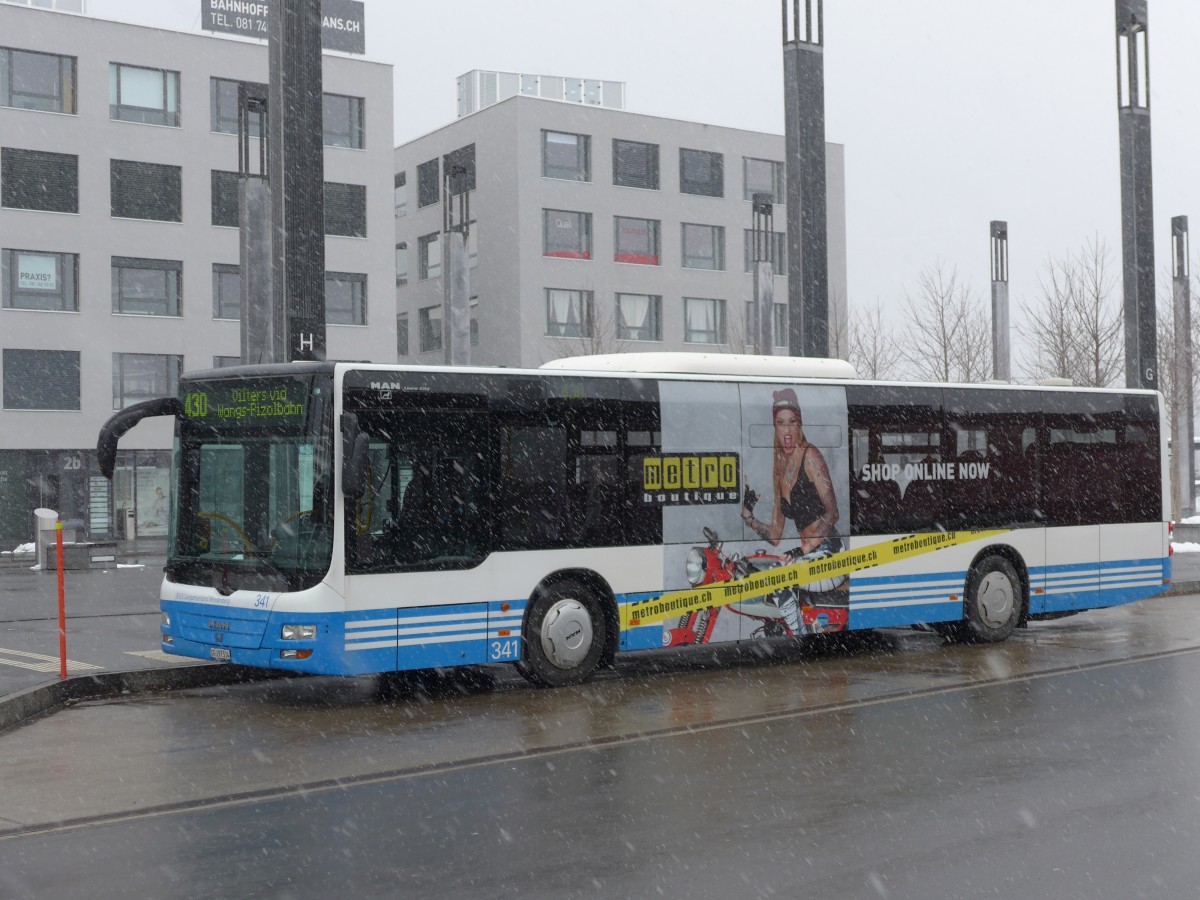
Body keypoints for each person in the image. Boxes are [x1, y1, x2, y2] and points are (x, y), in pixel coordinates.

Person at [741, 388, 843, 631]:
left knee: (779, 577)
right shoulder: (779, 470)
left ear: (800, 424)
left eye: (792, 422)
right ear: (774, 426)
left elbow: (832, 512)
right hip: (808, 557)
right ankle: (798, 633)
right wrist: (748, 516)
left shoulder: (810, 455)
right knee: (769, 571)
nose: (787, 431)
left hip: (830, 553)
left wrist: (802, 548)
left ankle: (799, 637)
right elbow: (775, 535)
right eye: (780, 423)